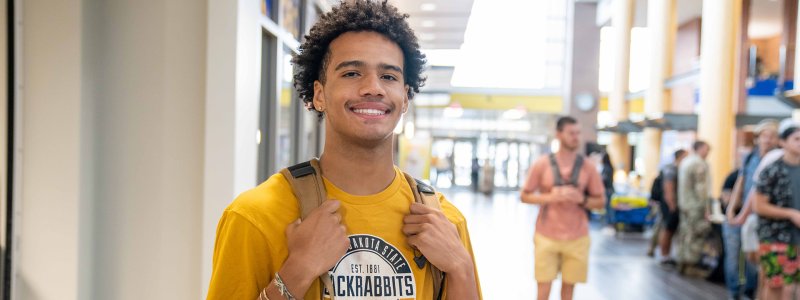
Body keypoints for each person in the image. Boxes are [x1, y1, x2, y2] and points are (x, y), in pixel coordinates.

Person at [206, 2, 481, 299]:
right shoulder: (255, 217)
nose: (373, 88)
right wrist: (298, 270)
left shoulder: (444, 221)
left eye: (388, 76)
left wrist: (461, 269)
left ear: (405, 99)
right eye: (351, 73)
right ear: (319, 94)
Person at [521, 116, 606, 300]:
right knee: (543, 289)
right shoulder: (542, 164)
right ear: (559, 134)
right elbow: (525, 195)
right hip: (546, 235)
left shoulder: (587, 166)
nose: (576, 137)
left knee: (568, 291)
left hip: (577, 237)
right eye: (571, 133)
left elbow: (600, 202)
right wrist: (551, 197)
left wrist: (581, 199)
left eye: (578, 133)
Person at [724, 119, 779, 300]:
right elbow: (741, 183)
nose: (768, 140)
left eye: (772, 136)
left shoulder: (777, 159)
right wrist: (731, 209)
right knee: (732, 256)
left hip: (759, 216)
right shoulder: (749, 157)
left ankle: (749, 291)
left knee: (753, 258)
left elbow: (757, 191)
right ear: (758, 137)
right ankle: (734, 291)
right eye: (764, 135)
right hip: (741, 212)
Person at [752, 119, 800, 300]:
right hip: (775, 236)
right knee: (775, 285)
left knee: (793, 286)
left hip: (797, 238)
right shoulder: (772, 170)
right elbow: (759, 205)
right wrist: (791, 214)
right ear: (783, 142)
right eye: (796, 139)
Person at [677, 141, 713, 275]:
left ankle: (682, 261)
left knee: (685, 233)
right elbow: (701, 188)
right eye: (707, 149)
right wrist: (706, 208)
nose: (708, 153)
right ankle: (691, 265)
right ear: (701, 149)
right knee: (696, 235)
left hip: (685, 204)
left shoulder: (686, 162)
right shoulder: (699, 164)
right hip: (695, 206)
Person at [653, 149, 688, 266]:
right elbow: (668, 188)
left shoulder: (676, 169)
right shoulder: (671, 169)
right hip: (669, 205)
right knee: (667, 230)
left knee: (670, 230)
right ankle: (664, 255)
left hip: (671, 204)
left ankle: (667, 254)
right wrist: (672, 206)